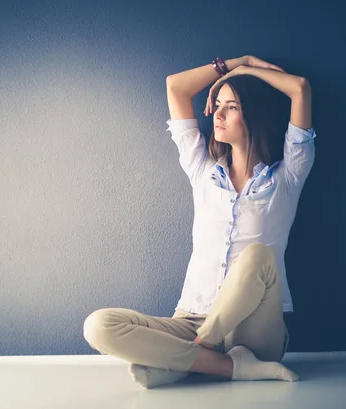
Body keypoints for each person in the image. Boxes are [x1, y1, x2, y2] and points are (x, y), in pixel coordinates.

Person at [83, 55, 315, 388]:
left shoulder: (287, 177)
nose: (217, 114)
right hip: (192, 317)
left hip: (253, 328)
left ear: (255, 114)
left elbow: (300, 88)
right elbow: (175, 87)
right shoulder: (202, 171)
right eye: (217, 104)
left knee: (258, 256)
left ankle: (191, 357)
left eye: (231, 107)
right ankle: (228, 366)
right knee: (99, 325)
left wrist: (247, 71)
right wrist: (235, 63)